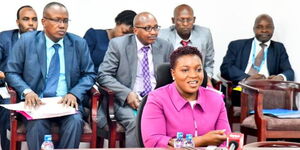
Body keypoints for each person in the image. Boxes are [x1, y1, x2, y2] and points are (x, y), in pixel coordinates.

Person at [5, 2, 95, 150]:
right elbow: (11, 72)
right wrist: (27, 91)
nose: (62, 25)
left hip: (66, 103)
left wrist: (74, 93)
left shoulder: (78, 43)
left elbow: (90, 74)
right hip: (37, 104)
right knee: (36, 123)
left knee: (75, 121)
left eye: (65, 21)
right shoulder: (26, 42)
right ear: (44, 22)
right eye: (57, 20)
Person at [97, 12, 173, 147]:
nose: (154, 32)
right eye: (148, 28)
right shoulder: (118, 45)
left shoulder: (165, 46)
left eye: (156, 27)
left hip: (157, 100)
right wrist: (127, 94)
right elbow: (104, 75)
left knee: (175, 119)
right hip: (127, 101)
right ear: (135, 30)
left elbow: (170, 76)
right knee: (136, 121)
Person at [141, 46, 231, 148]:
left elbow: (225, 140)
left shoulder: (216, 99)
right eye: (185, 70)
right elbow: (153, 142)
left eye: (198, 69)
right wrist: (201, 140)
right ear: (173, 73)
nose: (193, 75)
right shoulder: (157, 99)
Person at [220, 14, 294, 105]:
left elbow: (289, 72)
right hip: (242, 89)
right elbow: (226, 67)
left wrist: (280, 77)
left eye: (268, 27)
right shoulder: (236, 45)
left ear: (273, 29)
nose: (264, 30)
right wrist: (247, 78)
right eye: (259, 27)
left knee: (283, 99)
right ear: (254, 29)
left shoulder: (279, 48)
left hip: (268, 92)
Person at [0, 5, 38, 150]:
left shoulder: (43, 39)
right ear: (18, 22)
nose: (30, 23)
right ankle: (8, 147)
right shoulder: (5, 38)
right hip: (7, 87)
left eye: (34, 19)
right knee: (7, 103)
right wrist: (9, 76)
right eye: (26, 19)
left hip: (35, 88)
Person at [158, 4, 215, 80]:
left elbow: (209, 63)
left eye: (189, 20)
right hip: (171, 81)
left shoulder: (204, 34)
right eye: (181, 20)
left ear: (194, 20)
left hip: (197, 80)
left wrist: (206, 79)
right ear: (173, 20)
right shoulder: (161, 35)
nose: (185, 24)